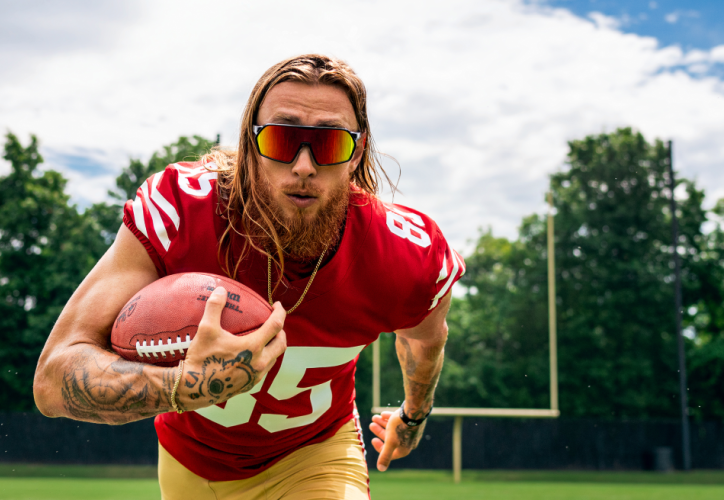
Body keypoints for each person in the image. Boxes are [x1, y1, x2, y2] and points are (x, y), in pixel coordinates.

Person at [34, 54, 464, 500]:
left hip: (315, 456)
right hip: (189, 463)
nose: (303, 166)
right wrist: (184, 386)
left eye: (330, 143)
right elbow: (53, 378)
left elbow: (424, 340)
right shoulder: (184, 210)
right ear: (250, 143)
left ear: (356, 152)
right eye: (281, 139)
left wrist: (413, 418)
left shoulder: (406, 253)